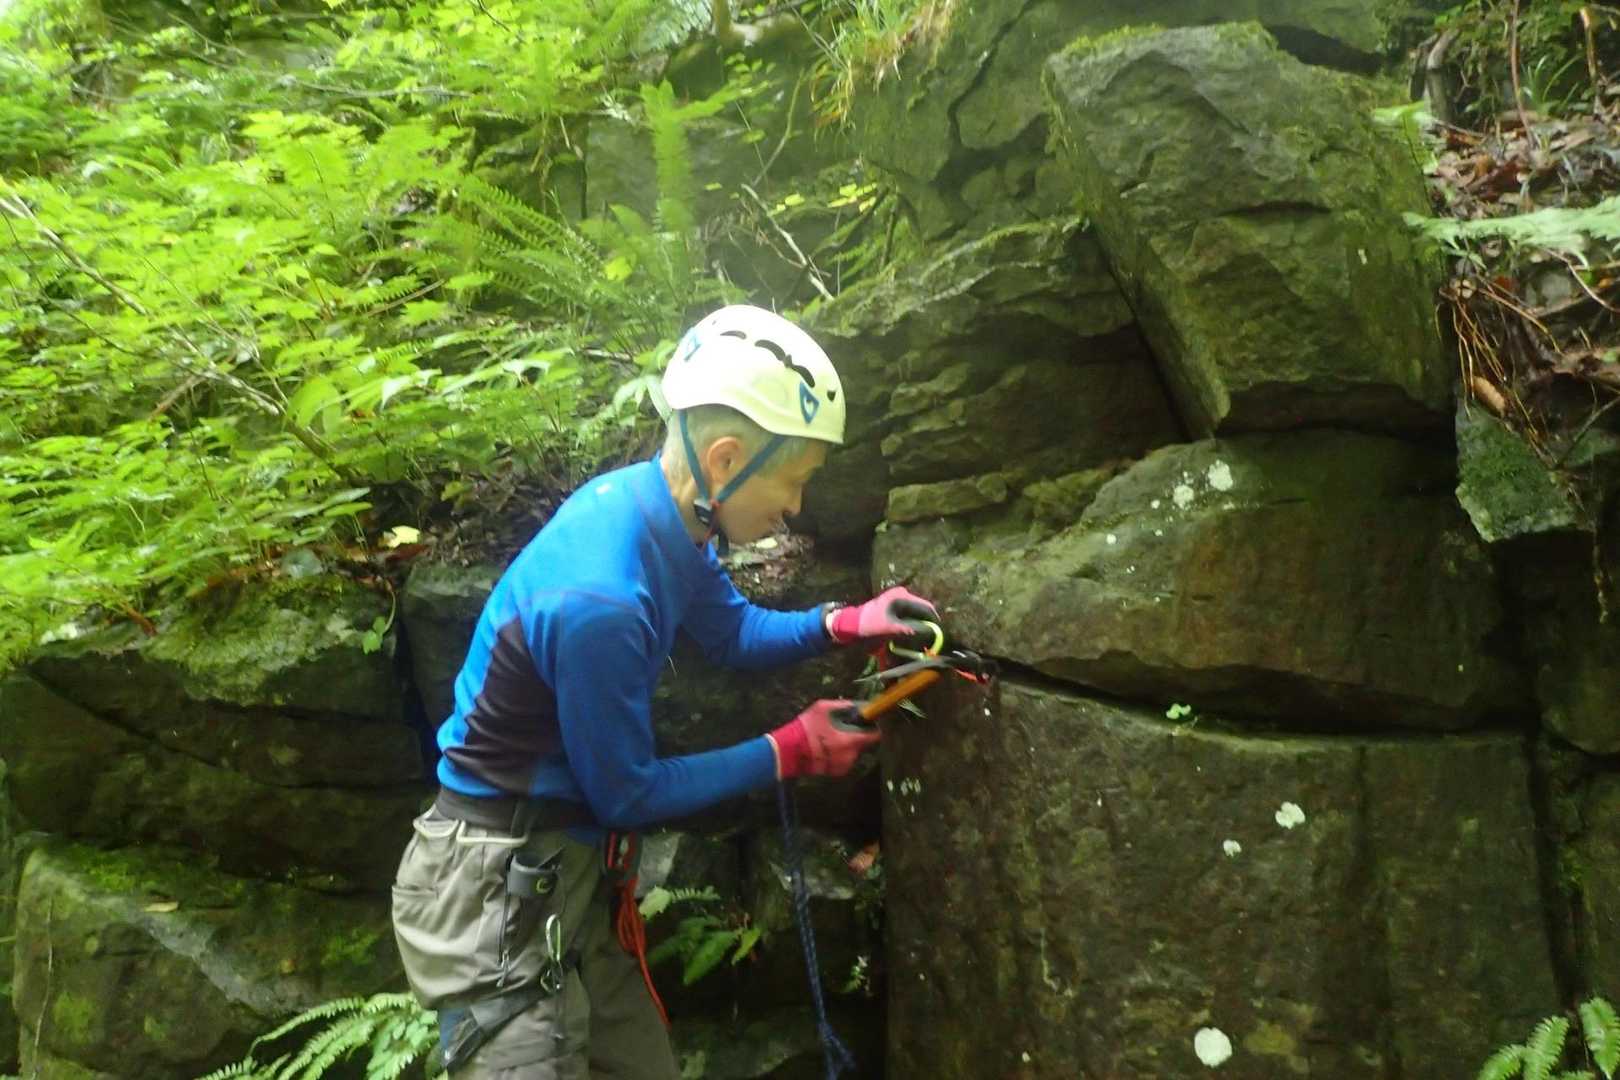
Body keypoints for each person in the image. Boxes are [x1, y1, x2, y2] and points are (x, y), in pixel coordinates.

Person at [391, 304, 938, 1078]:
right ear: (725, 460)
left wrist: (843, 621)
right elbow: (626, 793)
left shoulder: (657, 515)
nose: (796, 507)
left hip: (558, 880)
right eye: (794, 480)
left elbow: (731, 631)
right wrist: (788, 751)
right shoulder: (603, 601)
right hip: (496, 899)